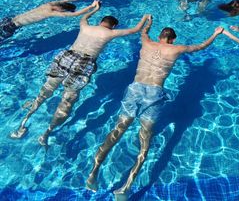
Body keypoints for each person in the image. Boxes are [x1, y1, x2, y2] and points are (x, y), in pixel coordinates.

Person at [85, 16, 224, 198]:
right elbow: (200, 46)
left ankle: (93, 173)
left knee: (117, 131)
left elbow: (143, 32)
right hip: (154, 94)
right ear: (172, 39)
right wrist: (215, 34)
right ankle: (125, 188)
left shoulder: (146, 42)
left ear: (159, 36)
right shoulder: (177, 49)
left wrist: (149, 22)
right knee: (145, 140)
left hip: (135, 89)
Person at [10, 1, 151, 146]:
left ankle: (24, 121)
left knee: (47, 88)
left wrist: (95, 7)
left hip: (67, 56)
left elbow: (84, 17)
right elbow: (136, 29)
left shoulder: (86, 26)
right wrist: (146, 18)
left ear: (100, 22)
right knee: (68, 99)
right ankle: (46, 133)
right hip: (85, 63)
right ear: (113, 25)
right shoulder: (111, 32)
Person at [0, 0, 96, 42]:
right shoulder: (51, 12)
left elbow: (67, 0)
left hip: (8, 20)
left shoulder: (49, 4)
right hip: (11, 26)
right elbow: (76, 14)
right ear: (63, 10)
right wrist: (91, 6)